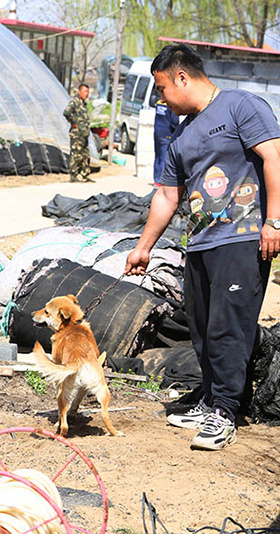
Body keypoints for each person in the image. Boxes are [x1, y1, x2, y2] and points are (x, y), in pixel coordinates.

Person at [125, 43, 280, 450]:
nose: (160, 97)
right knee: (202, 327)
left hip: (242, 237)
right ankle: (211, 398)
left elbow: (274, 157)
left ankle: (225, 412)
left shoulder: (241, 106)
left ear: (182, 77)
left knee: (229, 326)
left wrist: (274, 221)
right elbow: (167, 195)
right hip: (200, 242)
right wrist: (143, 247)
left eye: (161, 88)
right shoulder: (181, 134)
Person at [63, 84, 94, 183]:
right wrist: (74, 122)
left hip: (84, 134)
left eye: (88, 92)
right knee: (76, 155)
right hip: (77, 134)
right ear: (79, 92)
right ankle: (73, 175)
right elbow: (66, 112)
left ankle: (85, 174)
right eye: (85, 92)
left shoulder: (84, 104)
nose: (87, 94)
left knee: (85, 155)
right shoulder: (75, 102)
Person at [153, 97, 180, 185]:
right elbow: (174, 121)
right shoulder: (171, 105)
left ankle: (156, 179)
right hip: (167, 133)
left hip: (157, 132)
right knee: (164, 158)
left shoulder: (159, 103)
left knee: (157, 157)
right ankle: (162, 181)